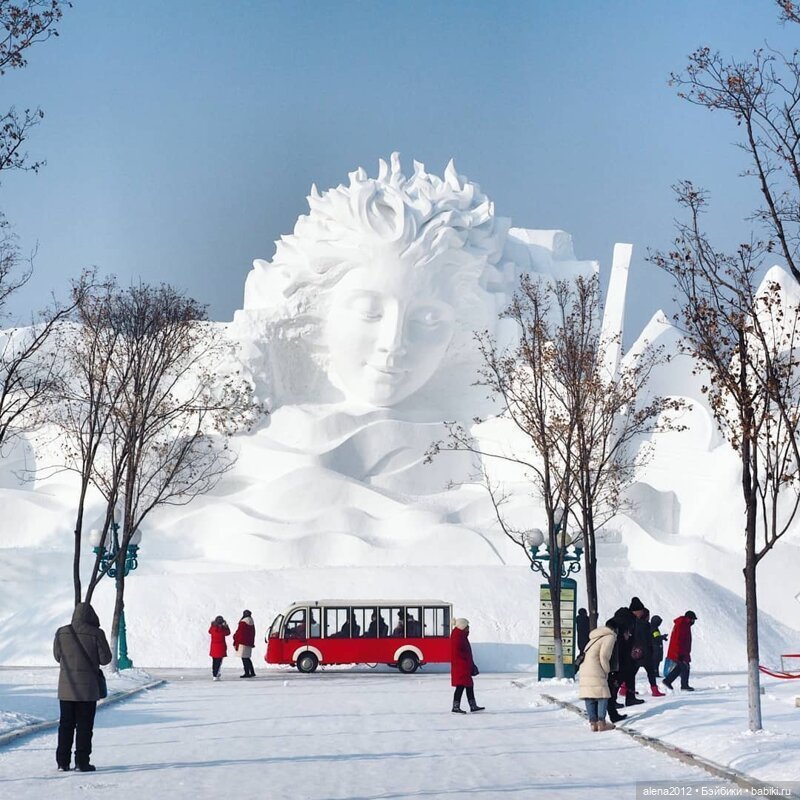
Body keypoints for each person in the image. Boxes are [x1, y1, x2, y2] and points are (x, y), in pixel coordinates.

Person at [53, 602, 112, 772]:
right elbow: (105, 659)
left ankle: (62, 762)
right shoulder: (96, 633)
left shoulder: (61, 632)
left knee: (66, 725)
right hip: (88, 689)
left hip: (66, 688)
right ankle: (82, 762)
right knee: (84, 726)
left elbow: (57, 656)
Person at [578, 618, 619, 732]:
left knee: (589, 695)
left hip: (585, 668)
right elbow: (604, 656)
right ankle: (602, 723)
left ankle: (593, 723)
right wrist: (606, 670)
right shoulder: (610, 637)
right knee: (602, 695)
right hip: (596, 668)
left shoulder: (594, 637)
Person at [450, 618, 484, 713]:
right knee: (460, 686)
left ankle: (472, 705)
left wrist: (471, 664)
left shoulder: (461, 636)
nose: (468, 627)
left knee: (469, 685)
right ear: (462, 627)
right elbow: (458, 653)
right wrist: (466, 663)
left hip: (464, 666)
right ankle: (456, 707)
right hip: (461, 666)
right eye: (467, 626)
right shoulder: (458, 637)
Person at [663, 610, 697, 692]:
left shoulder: (684, 624)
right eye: (693, 619)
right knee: (685, 667)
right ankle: (684, 685)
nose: (693, 621)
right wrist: (678, 653)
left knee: (680, 667)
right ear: (689, 618)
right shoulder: (682, 625)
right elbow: (678, 640)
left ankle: (667, 681)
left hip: (681, 651)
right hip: (679, 651)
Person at [232, 610, 256, 678]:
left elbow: (240, 632)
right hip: (248, 642)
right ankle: (252, 672)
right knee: (247, 658)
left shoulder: (243, 622)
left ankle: (247, 673)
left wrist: (235, 637)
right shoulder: (251, 622)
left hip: (242, 642)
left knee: (244, 658)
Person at [209, 615, 230, 680]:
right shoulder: (222, 629)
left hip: (213, 647)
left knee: (214, 661)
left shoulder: (212, 628)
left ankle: (214, 674)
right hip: (221, 647)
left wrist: (212, 625)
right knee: (219, 662)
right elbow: (228, 633)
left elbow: (209, 631)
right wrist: (226, 626)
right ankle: (216, 674)